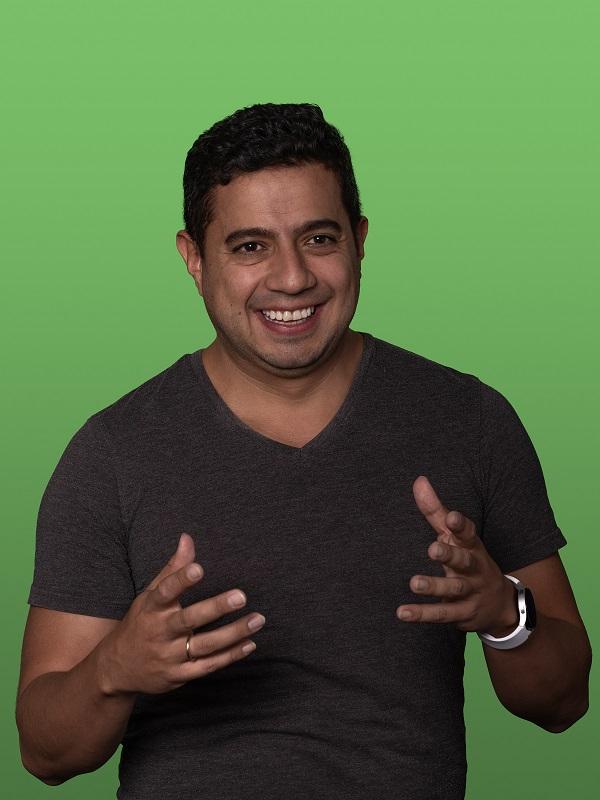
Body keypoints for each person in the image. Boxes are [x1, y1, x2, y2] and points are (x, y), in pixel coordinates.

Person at [16, 103, 591, 800]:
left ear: (360, 239)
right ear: (194, 260)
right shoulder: (112, 453)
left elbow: (562, 704)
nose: (292, 279)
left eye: (319, 238)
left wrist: (506, 612)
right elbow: (45, 753)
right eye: (250, 246)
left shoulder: (469, 420)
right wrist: (114, 668)